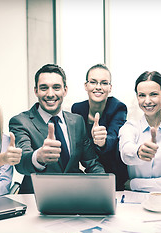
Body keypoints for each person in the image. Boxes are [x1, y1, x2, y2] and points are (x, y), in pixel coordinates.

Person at [9, 63, 105, 194]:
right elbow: (22, 163)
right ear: (35, 91)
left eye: (56, 87)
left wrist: (105, 187)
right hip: (37, 198)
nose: (50, 94)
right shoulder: (20, 122)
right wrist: (39, 157)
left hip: (75, 196)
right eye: (44, 88)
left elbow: (91, 163)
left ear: (65, 90)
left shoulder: (77, 121)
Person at [71, 64, 128, 190]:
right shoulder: (77, 108)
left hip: (114, 174)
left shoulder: (118, 107)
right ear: (86, 86)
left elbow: (113, 136)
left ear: (110, 87)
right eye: (93, 82)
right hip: (89, 172)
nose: (98, 87)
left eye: (104, 83)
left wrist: (103, 141)